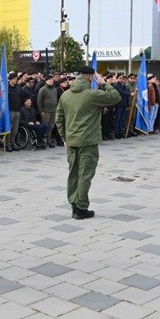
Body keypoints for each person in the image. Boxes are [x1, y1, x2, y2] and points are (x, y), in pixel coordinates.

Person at [55, 66, 121, 219]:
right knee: (85, 173)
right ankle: (81, 207)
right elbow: (115, 96)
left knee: (73, 173)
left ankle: (73, 203)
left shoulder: (65, 95)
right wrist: (103, 82)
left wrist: (64, 138)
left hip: (72, 140)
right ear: (91, 77)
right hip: (88, 141)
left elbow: (59, 119)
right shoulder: (92, 94)